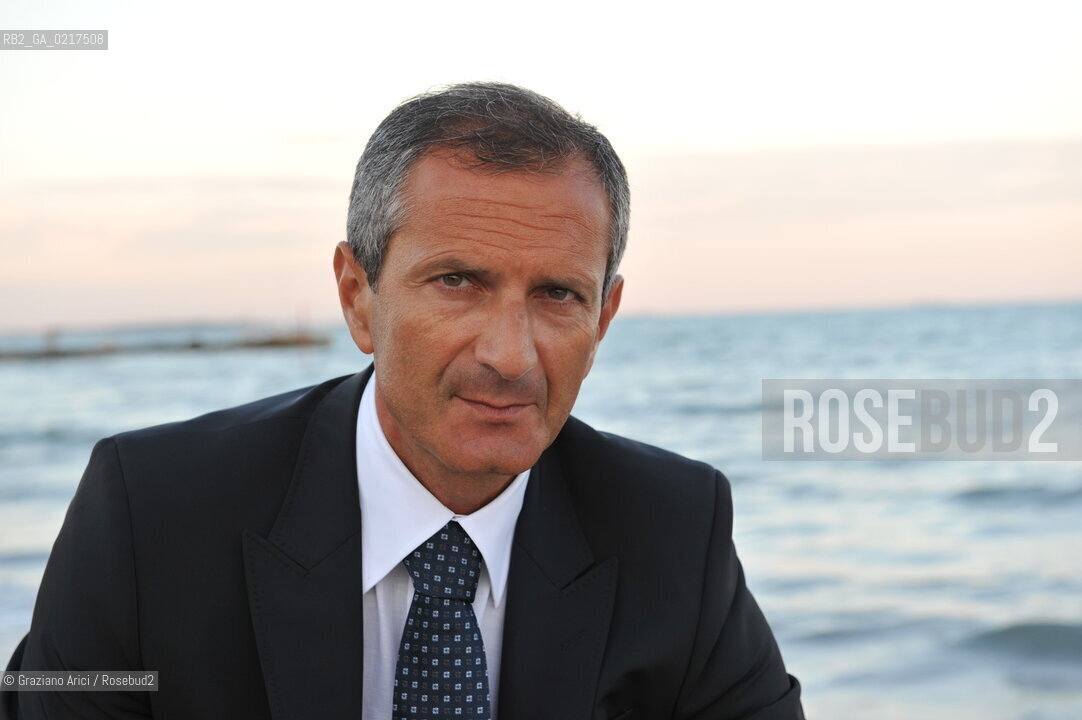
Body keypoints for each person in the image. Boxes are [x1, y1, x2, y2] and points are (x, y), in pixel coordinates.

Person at [1, 82, 803, 720]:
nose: (510, 354)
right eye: (458, 282)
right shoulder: (152, 513)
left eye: (558, 294)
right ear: (358, 297)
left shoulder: (674, 528)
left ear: (604, 316)